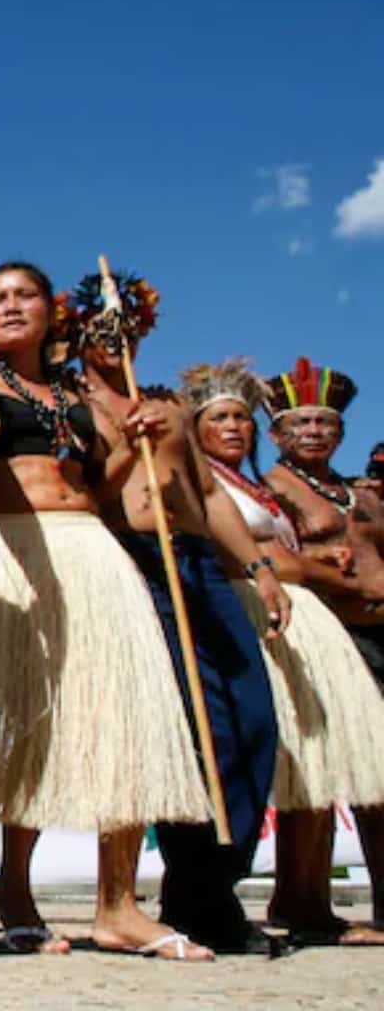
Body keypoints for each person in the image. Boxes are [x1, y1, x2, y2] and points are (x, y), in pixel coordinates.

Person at [0, 262, 212, 960]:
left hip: (93, 550)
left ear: (49, 311)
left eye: (25, 296)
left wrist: (140, 442)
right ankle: (13, 890)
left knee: (126, 713)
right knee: (24, 719)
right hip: (11, 547)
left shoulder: (74, 388)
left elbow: (102, 483)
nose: (11, 307)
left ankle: (119, 906)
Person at [66, 270, 290, 957]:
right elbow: (80, 497)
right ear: (77, 333)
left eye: (125, 328)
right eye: (100, 329)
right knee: (195, 731)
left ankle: (215, 883)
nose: (114, 340)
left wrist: (256, 567)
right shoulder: (72, 403)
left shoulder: (165, 402)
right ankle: (198, 899)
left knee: (253, 719)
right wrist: (124, 449)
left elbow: (209, 495)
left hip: (201, 564)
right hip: (135, 560)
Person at [184, 356, 384, 947]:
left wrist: (318, 565)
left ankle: (310, 899)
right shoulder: (222, 483)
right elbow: (251, 551)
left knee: (325, 761)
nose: (233, 428)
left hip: (302, 619)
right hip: (251, 614)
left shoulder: (253, 485)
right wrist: (342, 580)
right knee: (289, 759)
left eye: (241, 418)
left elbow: (283, 550)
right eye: (220, 418)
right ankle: (270, 897)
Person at [261, 357, 384, 931]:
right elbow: (273, 559)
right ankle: (301, 899)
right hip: (328, 638)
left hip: (377, 636)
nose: (313, 432)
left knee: (378, 777)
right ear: (277, 435)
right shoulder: (271, 490)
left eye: (324, 423)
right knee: (324, 771)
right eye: (300, 424)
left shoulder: (361, 491)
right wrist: (325, 570)